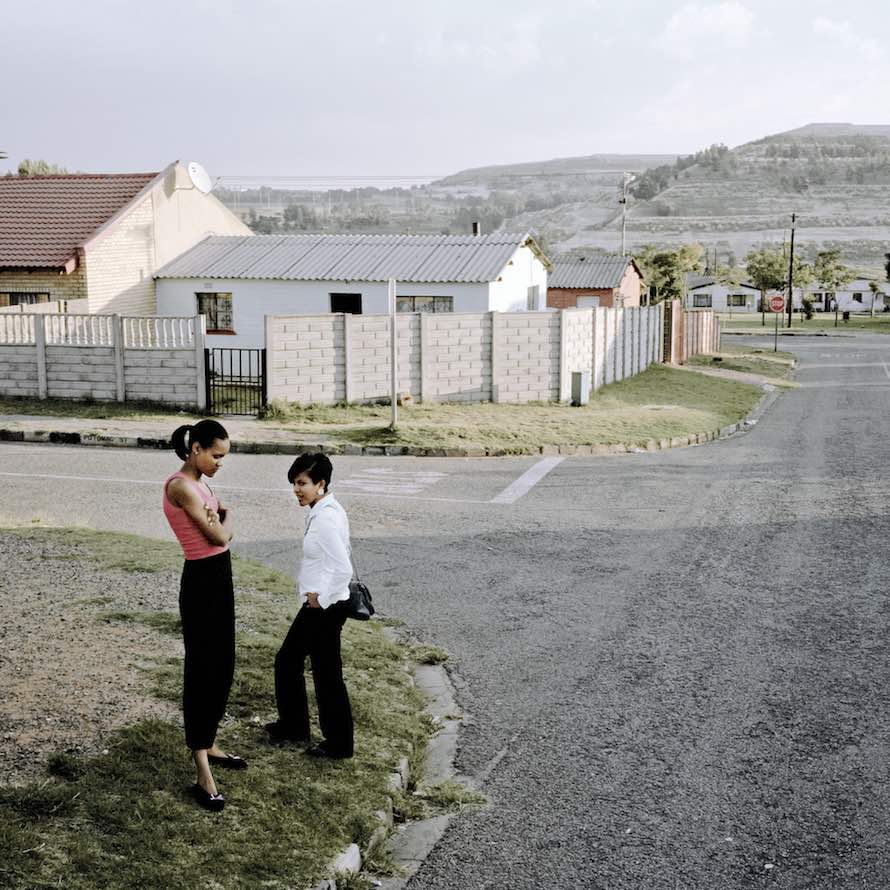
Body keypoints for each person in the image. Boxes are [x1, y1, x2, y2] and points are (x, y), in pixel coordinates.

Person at [163, 419, 245, 812]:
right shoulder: (180, 486)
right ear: (195, 448)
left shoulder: (202, 485)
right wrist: (226, 522)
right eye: (215, 455)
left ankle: (210, 742)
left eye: (223, 458)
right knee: (202, 669)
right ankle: (201, 768)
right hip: (200, 580)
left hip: (219, 577)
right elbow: (218, 535)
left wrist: (222, 521)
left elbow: (221, 521)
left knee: (224, 663)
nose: (219, 463)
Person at [266, 453, 354, 759]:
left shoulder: (326, 517)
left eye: (302, 483)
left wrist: (321, 597)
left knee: (312, 669)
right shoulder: (322, 509)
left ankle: (336, 743)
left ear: (321, 484)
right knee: (300, 664)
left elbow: (344, 568)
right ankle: (297, 727)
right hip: (323, 605)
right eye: (294, 483)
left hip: (326, 608)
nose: (296, 489)